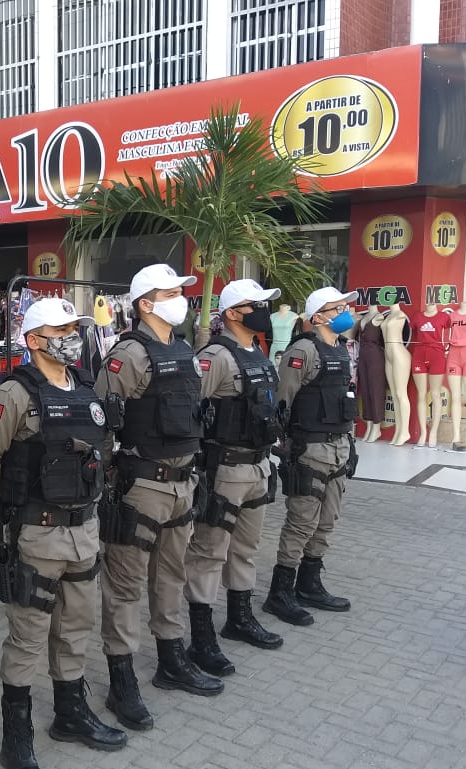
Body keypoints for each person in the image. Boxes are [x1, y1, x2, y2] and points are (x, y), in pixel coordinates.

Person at [0, 297, 126, 769]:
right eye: (61, 329)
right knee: (27, 636)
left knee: (76, 626)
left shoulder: (85, 387)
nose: (71, 336)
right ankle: (16, 737)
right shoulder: (13, 394)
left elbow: (99, 453)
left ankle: (71, 714)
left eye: (74, 328)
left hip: (85, 531)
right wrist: (19, 502)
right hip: (37, 535)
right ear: (34, 339)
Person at [95, 264, 221, 733]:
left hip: (183, 483)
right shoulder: (128, 354)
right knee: (125, 585)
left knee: (170, 575)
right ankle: (120, 678)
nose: (180, 299)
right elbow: (102, 424)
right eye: (171, 293)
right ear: (146, 303)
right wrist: (111, 481)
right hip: (141, 486)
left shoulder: (185, 349)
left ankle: (171, 658)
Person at [183, 279, 292, 679]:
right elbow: (190, 410)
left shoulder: (259, 353)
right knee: (209, 552)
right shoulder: (216, 356)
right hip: (224, 469)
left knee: (245, 549)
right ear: (232, 313)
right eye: (255, 304)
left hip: (258, 466)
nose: (262, 310)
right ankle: (201, 636)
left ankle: (239, 618)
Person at [271, 286, 357, 622]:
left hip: (337, 446)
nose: (344, 313)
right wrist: (287, 447)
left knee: (327, 520)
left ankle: (309, 584)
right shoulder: (303, 351)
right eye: (337, 309)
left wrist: (350, 445)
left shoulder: (340, 349)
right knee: (301, 523)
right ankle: (280, 593)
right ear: (318, 316)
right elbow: (282, 402)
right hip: (310, 449)